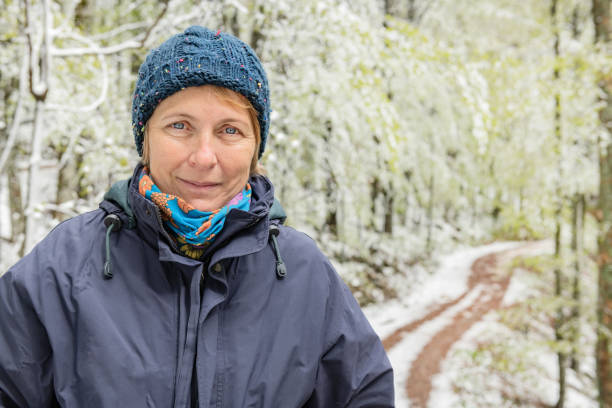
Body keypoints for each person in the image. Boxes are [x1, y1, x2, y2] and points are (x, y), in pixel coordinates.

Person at [0, 26, 394, 407]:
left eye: (230, 130)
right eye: (179, 126)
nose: (204, 157)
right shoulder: (63, 269)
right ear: (145, 137)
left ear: (256, 146)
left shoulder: (303, 275)